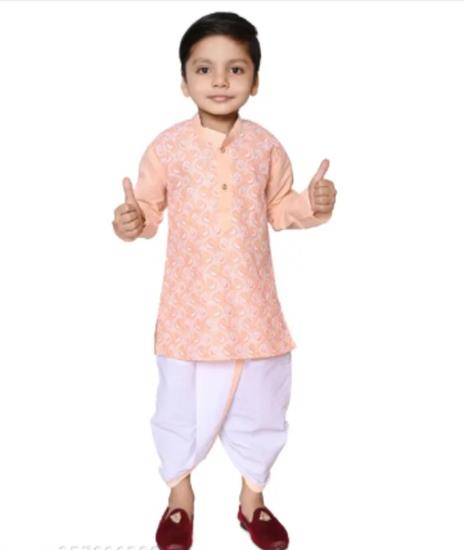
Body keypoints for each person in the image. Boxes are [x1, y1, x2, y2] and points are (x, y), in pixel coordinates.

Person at [112, 11, 336, 550]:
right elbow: (146, 210)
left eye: (235, 69)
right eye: (204, 68)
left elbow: (280, 209)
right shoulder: (167, 147)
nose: (219, 81)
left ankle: (252, 499)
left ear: (255, 81)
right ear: (183, 79)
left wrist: (314, 203)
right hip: (189, 309)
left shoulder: (265, 146)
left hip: (253, 306)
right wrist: (131, 221)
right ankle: (179, 496)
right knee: (180, 406)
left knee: (262, 400)